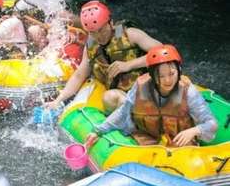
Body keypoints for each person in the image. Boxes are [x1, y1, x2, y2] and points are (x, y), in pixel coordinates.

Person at [85, 44, 218, 148]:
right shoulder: (141, 87)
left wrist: (194, 131)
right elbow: (123, 112)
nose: (168, 80)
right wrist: (98, 131)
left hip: (179, 143)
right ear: (152, 76)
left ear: (179, 70)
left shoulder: (188, 91)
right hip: (146, 139)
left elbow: (211, 123)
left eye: (172, 74)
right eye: (161, 76)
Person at [45, 0, 161, 113]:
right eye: (92, 32)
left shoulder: (130, 34)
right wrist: (58, 100)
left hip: (145, 89)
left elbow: (164, 52)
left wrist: (128, 65)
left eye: (101, 30)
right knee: (110, 97)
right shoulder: (91, 45)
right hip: (121, 96)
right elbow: (79, 75)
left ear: (110, 23)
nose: (98, 36)